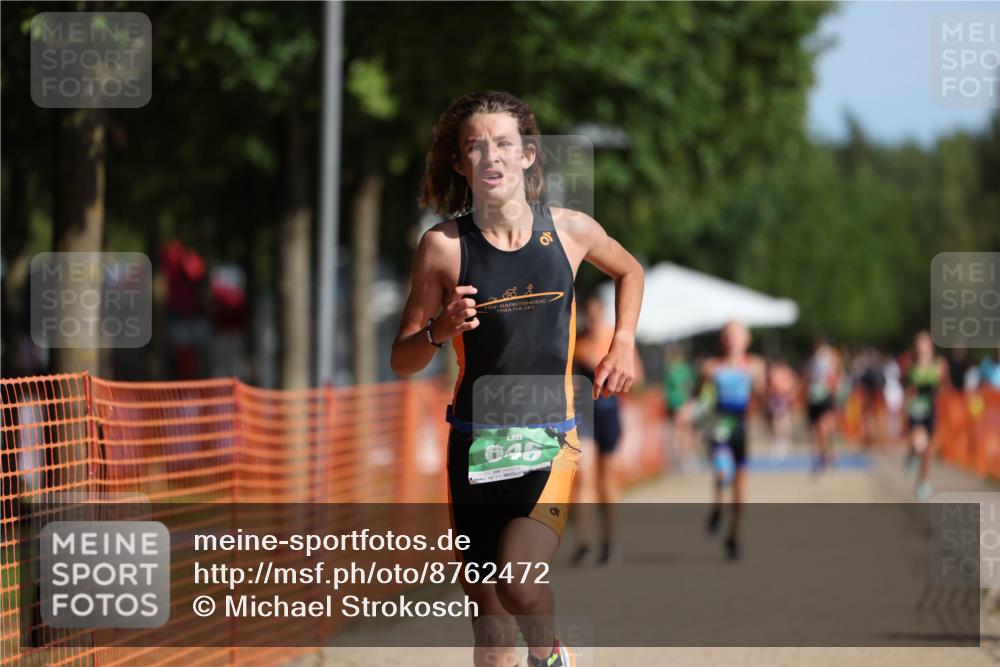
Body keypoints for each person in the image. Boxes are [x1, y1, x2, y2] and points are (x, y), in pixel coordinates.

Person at [390, 91, 643, 667]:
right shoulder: (443, 248)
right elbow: (402, 359)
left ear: (528, 154)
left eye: (503, 143)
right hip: (474, 445)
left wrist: (623, 341)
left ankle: (552, 654)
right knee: (491, 636)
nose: (491, 157)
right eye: (475, 147)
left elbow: (630, 269)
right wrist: (438, 329)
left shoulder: (572, 232)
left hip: (550, 441)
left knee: (520, 585)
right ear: (460, 164)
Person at [570, 294, 643, 566]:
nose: (591, 319)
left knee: (607, 479)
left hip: (608, 412)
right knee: (583, 477)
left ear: (602, 313)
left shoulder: (615, 340)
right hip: (583, 413)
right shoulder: (577, 342)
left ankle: (610, 540)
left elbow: (638, 376)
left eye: (595, 314)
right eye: (586, 315)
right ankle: (584, 543)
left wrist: (615, 372)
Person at [701, 321, 766, 560]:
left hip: (741, 425)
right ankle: (718, 507)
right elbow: (702, 397)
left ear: (746, 340)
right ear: (723, 339)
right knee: (721, 473)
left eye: (738, 335)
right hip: (720, 423)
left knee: (740, 489)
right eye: (729, 335)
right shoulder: (711, 366)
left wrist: (764, 389)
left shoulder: (755, 365)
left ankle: (734, 535)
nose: (733, 339)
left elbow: (761, 396)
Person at [904, 331, 948, 501]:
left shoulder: (938, 364)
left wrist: (941, 374)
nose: (922, 346)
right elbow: (909, 389)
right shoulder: (912, 365)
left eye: (926, 342)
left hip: (930, 410)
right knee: (918, 442)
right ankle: (912, 455)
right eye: (920, 342)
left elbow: (943, 386)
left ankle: (923, 481)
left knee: (927, 451)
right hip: (915, 410)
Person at [804, 337, 840, 475]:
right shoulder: (813, 361)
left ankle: (826, 454)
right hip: (816, 397)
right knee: (819, 430)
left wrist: (832, 391)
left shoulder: (828, 359)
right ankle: (824, 454)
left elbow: (833, 378)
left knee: (824, 428)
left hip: (824, 397)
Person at [663, 344, 697, 468]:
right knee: (679, 430)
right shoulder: (671, 370)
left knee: (684, 430)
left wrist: (687, 402)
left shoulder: (681, 369)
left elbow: (688, 386)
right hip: (675, 403)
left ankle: (686, 457)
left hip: (681, 403)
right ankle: (680, 457)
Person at [766, 360, 798, 458]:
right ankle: (778, 440)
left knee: (784, 419)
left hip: (784, 396)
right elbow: (769, 384)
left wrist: (791, 394)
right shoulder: (773, 372)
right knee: (776, 420)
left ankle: (785, 440)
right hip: (776, 397)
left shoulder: (786, 372)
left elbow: (793, 383)